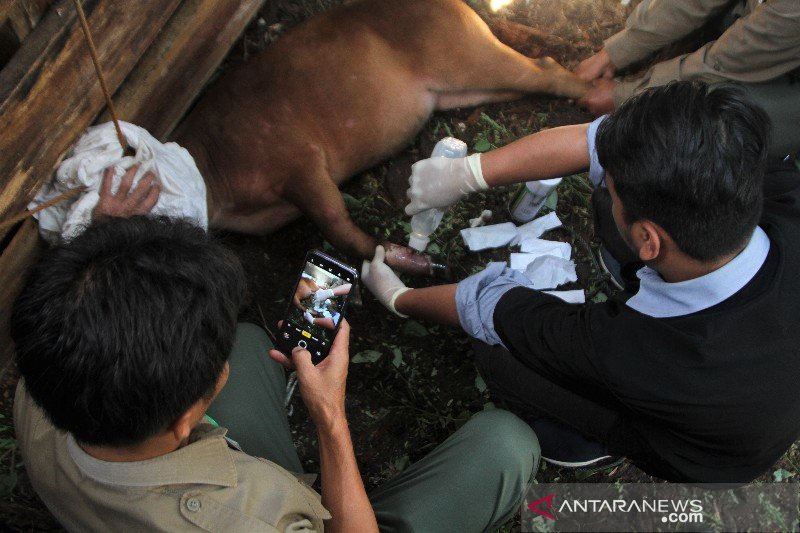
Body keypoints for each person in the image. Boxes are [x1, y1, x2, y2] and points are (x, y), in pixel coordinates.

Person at [363, 81, 800, 483]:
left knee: (499, 356)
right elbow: (596, 143)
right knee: (616, 191)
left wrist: (400, 298)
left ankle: (583, 442)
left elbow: (491, 306)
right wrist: (468, 174)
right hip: (759, 375)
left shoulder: (639, 352)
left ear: (649, 240)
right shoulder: (760, 177)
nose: (603, 181)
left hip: (702, 451)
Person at [11, 214, 539, 532]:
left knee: (245, 343)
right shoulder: (253, 519)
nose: (218, 363)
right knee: (506, 444)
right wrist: (329, 417)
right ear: (182, 424)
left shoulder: (40, 389)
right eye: (208, 372)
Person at [574, 0, 800, 160]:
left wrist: (625, 96)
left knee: (719, 119)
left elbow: (724, 63)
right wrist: (615, 53)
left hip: (786, 80)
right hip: (765, 29)